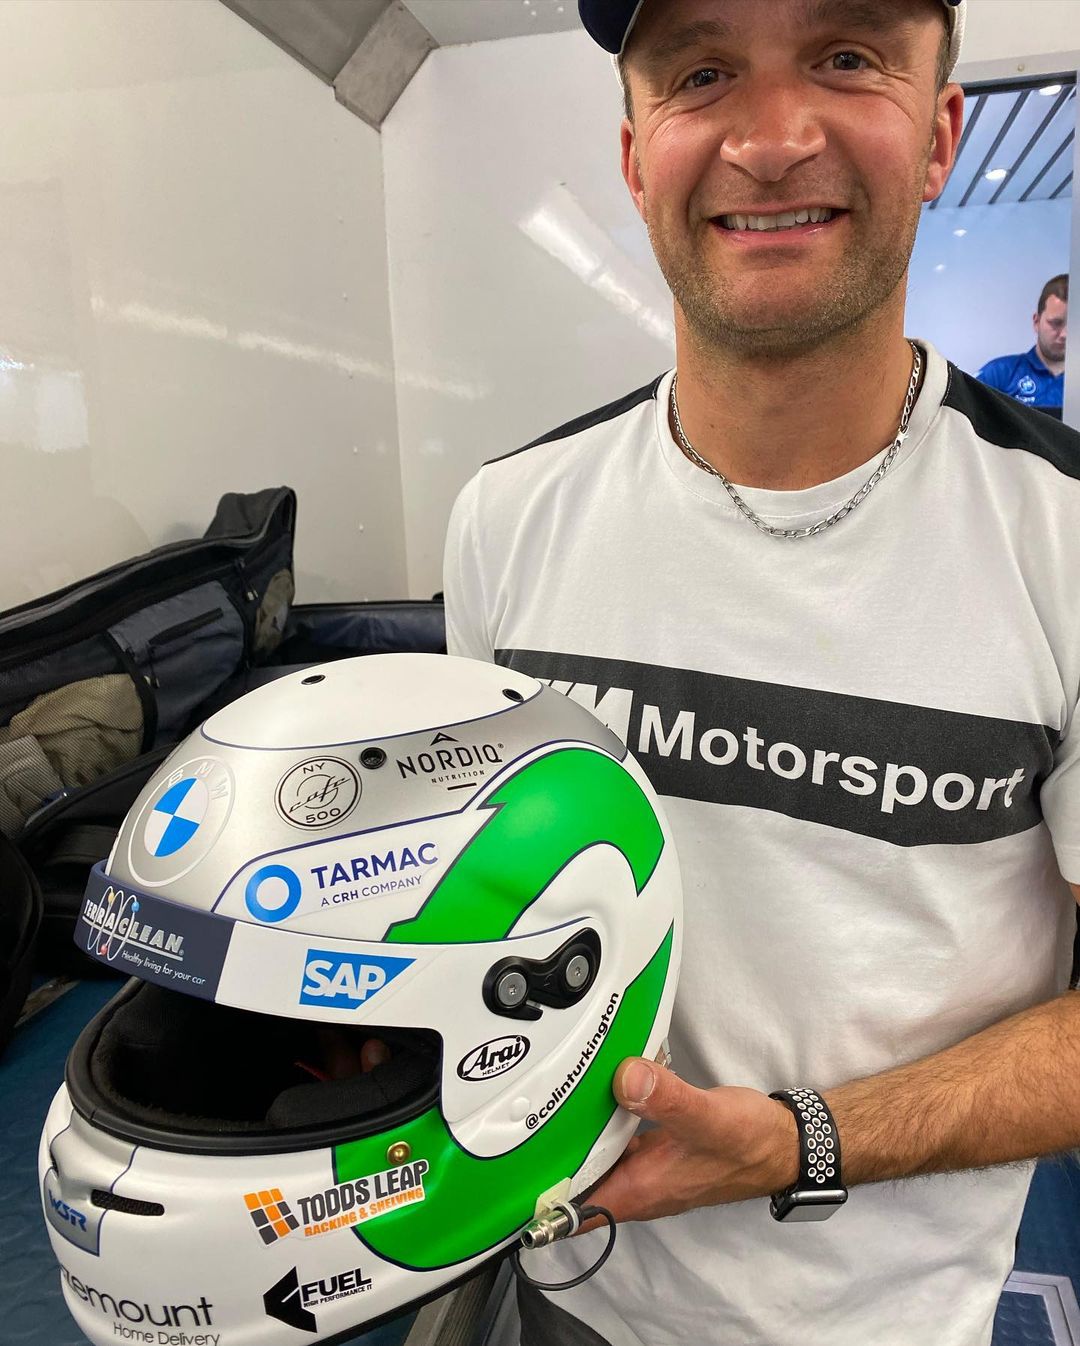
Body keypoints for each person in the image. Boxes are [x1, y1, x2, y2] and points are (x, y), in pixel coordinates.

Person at [442, 1, 1080, 1343]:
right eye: (703, 72)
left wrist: (804, 1140)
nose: (773, 137)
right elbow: (490, 905)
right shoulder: (506, 515)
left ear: (940, 136)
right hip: (563, 1288)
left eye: (846, 58)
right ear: (636, 156)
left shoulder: (1061, 536)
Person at [977, 274, 1068, 411]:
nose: (1065, 334)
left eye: (1075, 325)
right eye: (1056, 323)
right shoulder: (999, 374)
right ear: (1036, 321)